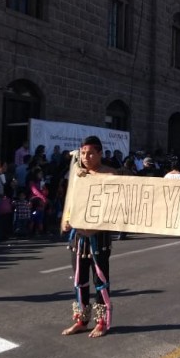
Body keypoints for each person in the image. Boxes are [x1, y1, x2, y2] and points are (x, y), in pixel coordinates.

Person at [61, 136, 116, 338]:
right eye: (83, 153)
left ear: (100, 153)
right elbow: (71, 201)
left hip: (99, 238)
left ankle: (102, 322)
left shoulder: (110, 174)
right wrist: (67, 218)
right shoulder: (78, 175)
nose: (86, 156)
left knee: (100, 280)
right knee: (79, 279)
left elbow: (115, 204)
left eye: (91, 153)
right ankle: (81, 319)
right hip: (79, 237)